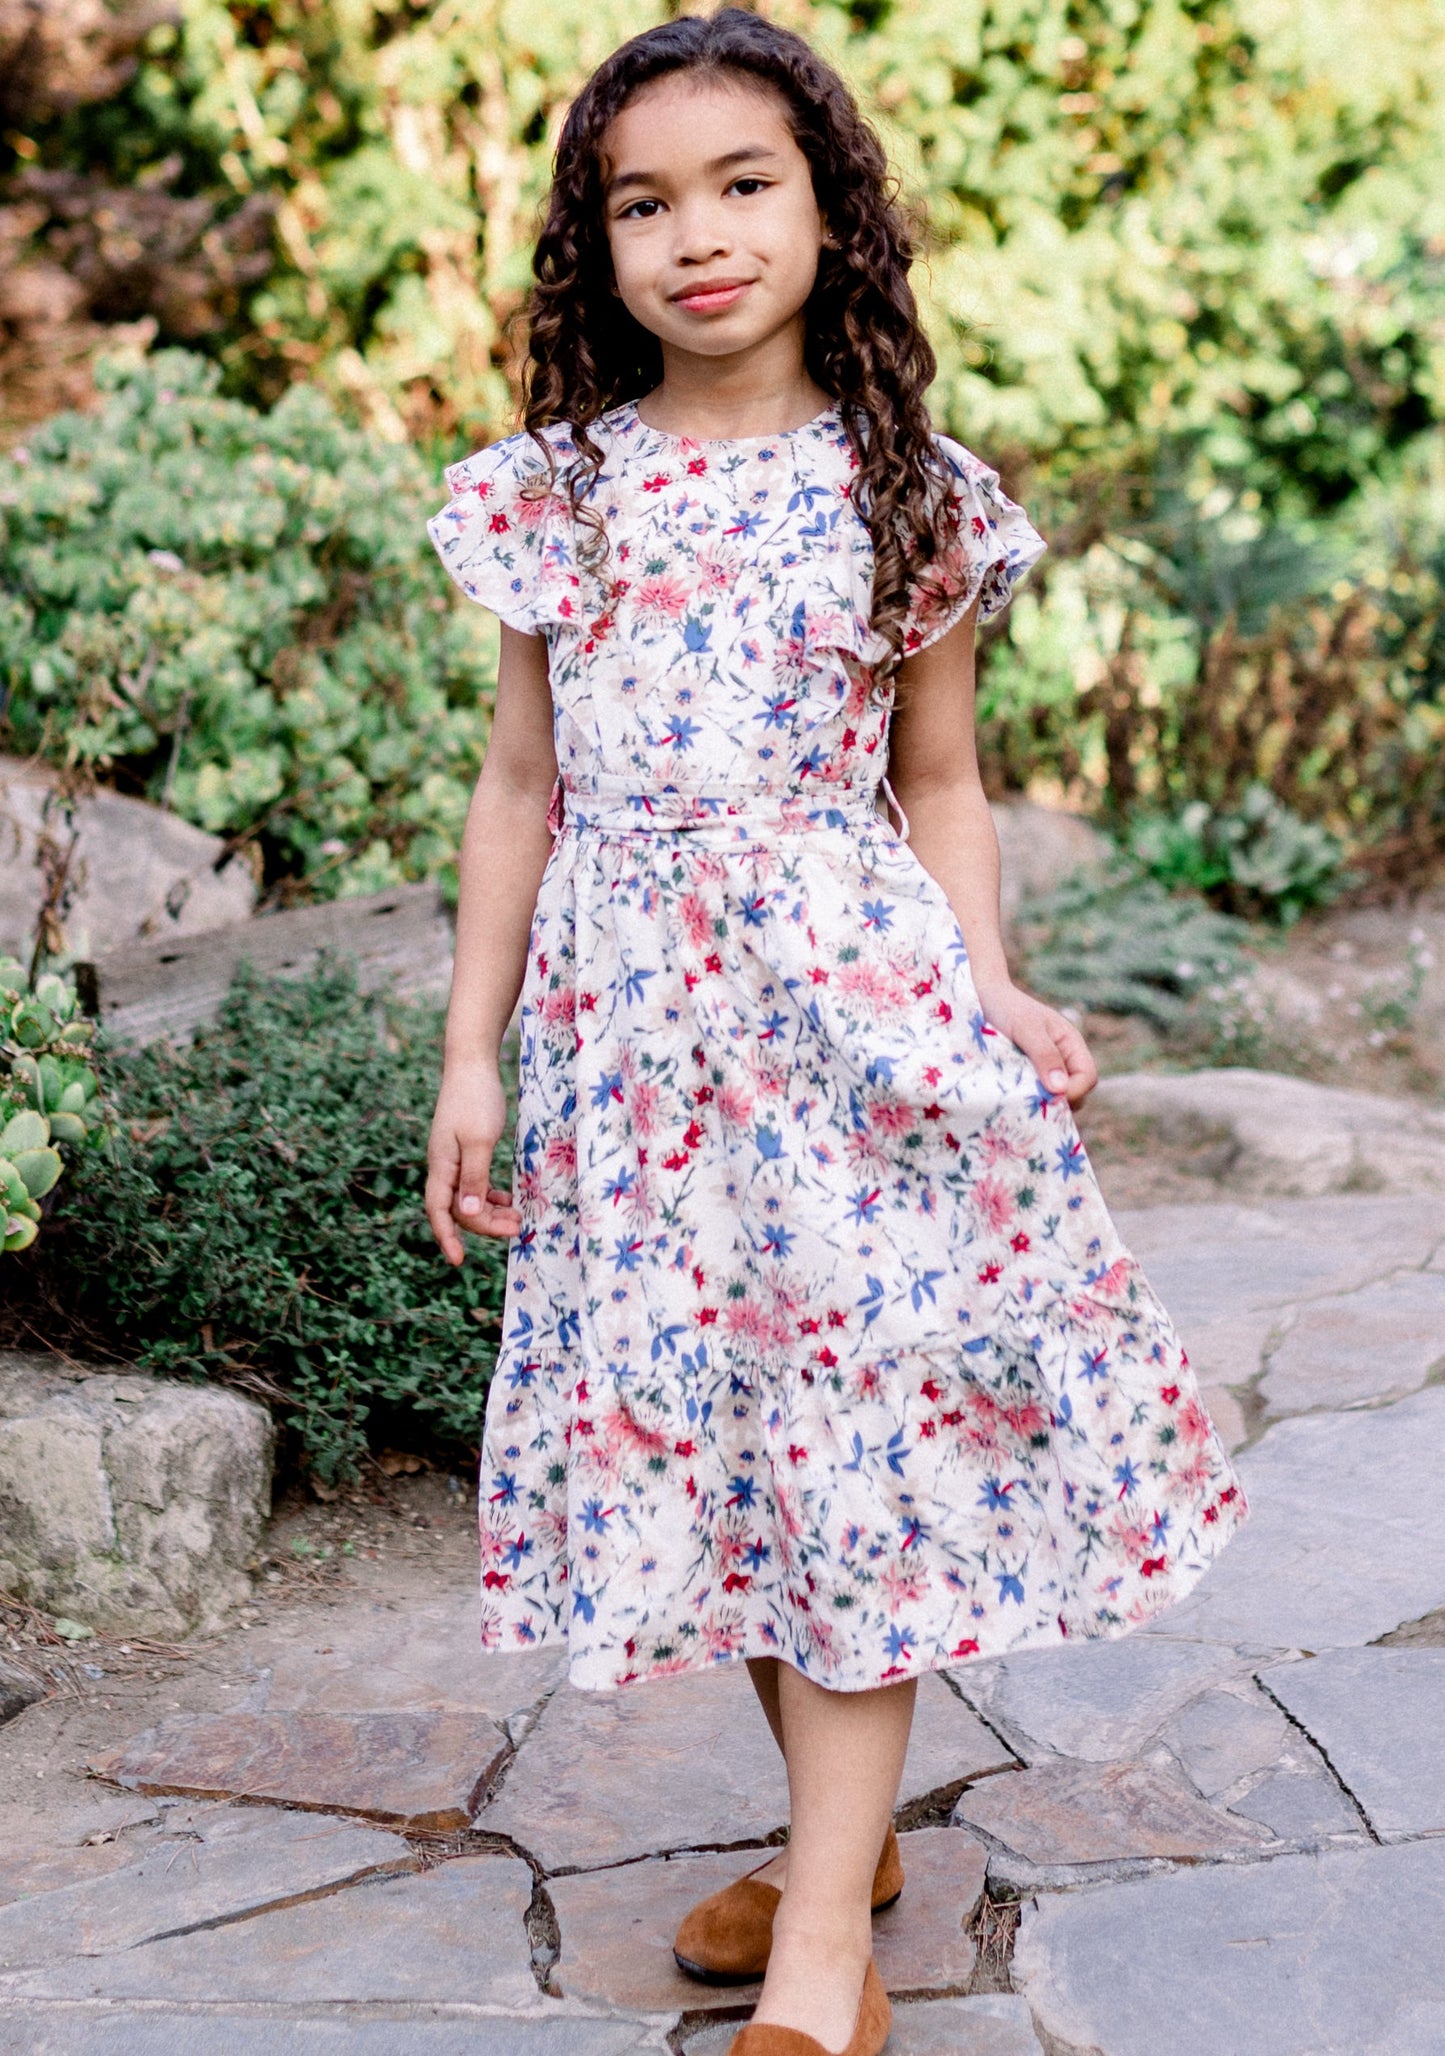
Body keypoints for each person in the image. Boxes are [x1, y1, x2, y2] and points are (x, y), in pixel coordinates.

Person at [424, 12, 1247, 2053]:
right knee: (717, 1447)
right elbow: (520, 783)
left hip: (844, 1025)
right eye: (643, 201)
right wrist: (473, 1053)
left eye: (743, 182)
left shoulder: (908, 490)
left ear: (829, 209)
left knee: (851, 1443)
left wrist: (989, 985)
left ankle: (822, 1953)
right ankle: (838, 1834)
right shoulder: (556, 496)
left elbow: (943, 779)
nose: (696, 235)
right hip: (632, 1046)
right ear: (592, 243)